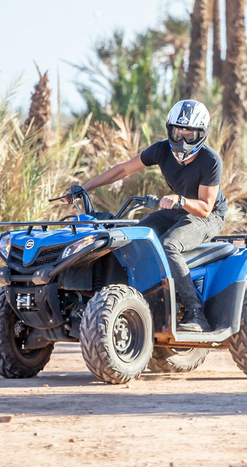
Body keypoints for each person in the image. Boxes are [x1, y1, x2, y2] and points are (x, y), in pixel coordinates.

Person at [68, 100, 227, 332]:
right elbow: (122, 170)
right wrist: (84, 188)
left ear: (201, 134)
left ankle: (195, 313)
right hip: (177, 210)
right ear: (169, 130)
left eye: (189, 134)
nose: (182, 139)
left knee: (169, 246)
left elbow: (205, 207)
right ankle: (140, 301)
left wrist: (180, 200)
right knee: (135, 239)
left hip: (208, 216)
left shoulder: (210, 161)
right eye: (177, 131)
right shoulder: (162, 150)